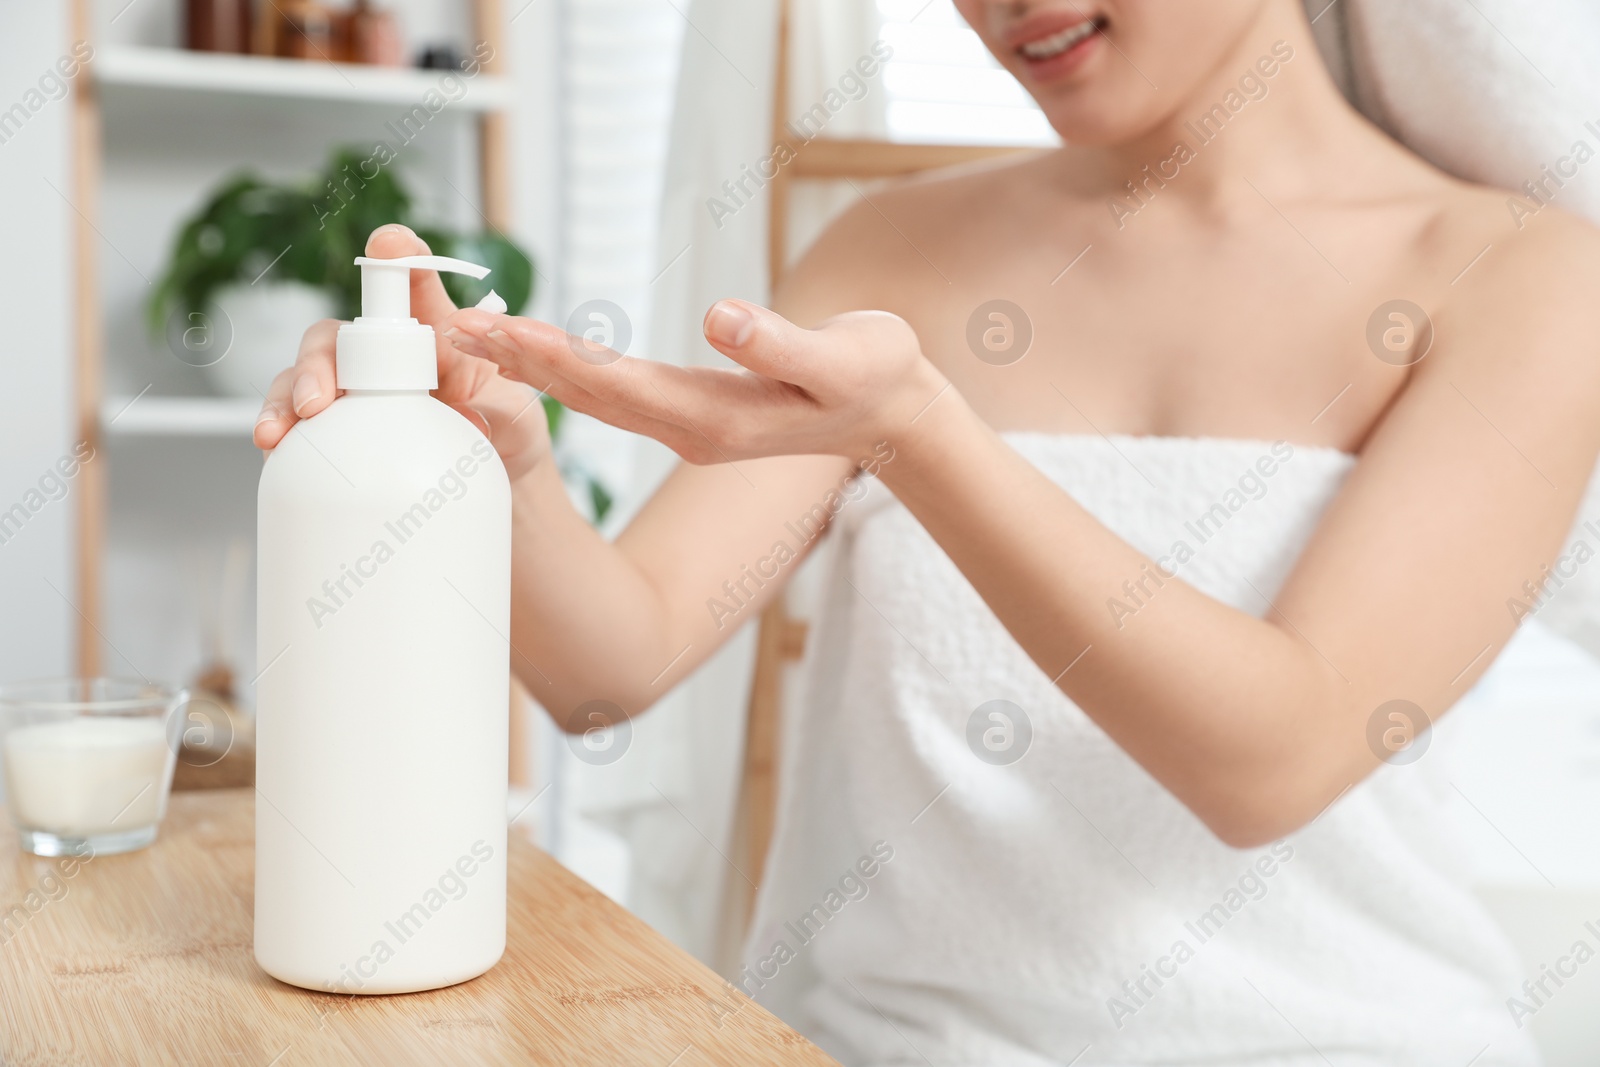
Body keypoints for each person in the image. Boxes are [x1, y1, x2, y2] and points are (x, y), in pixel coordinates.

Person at [258, 0, 1600, 1061]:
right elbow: (609, 664)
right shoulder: (892, 247)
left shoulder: (1524, 278)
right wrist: (502, 470)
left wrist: (921, 439)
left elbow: (1273, 759)